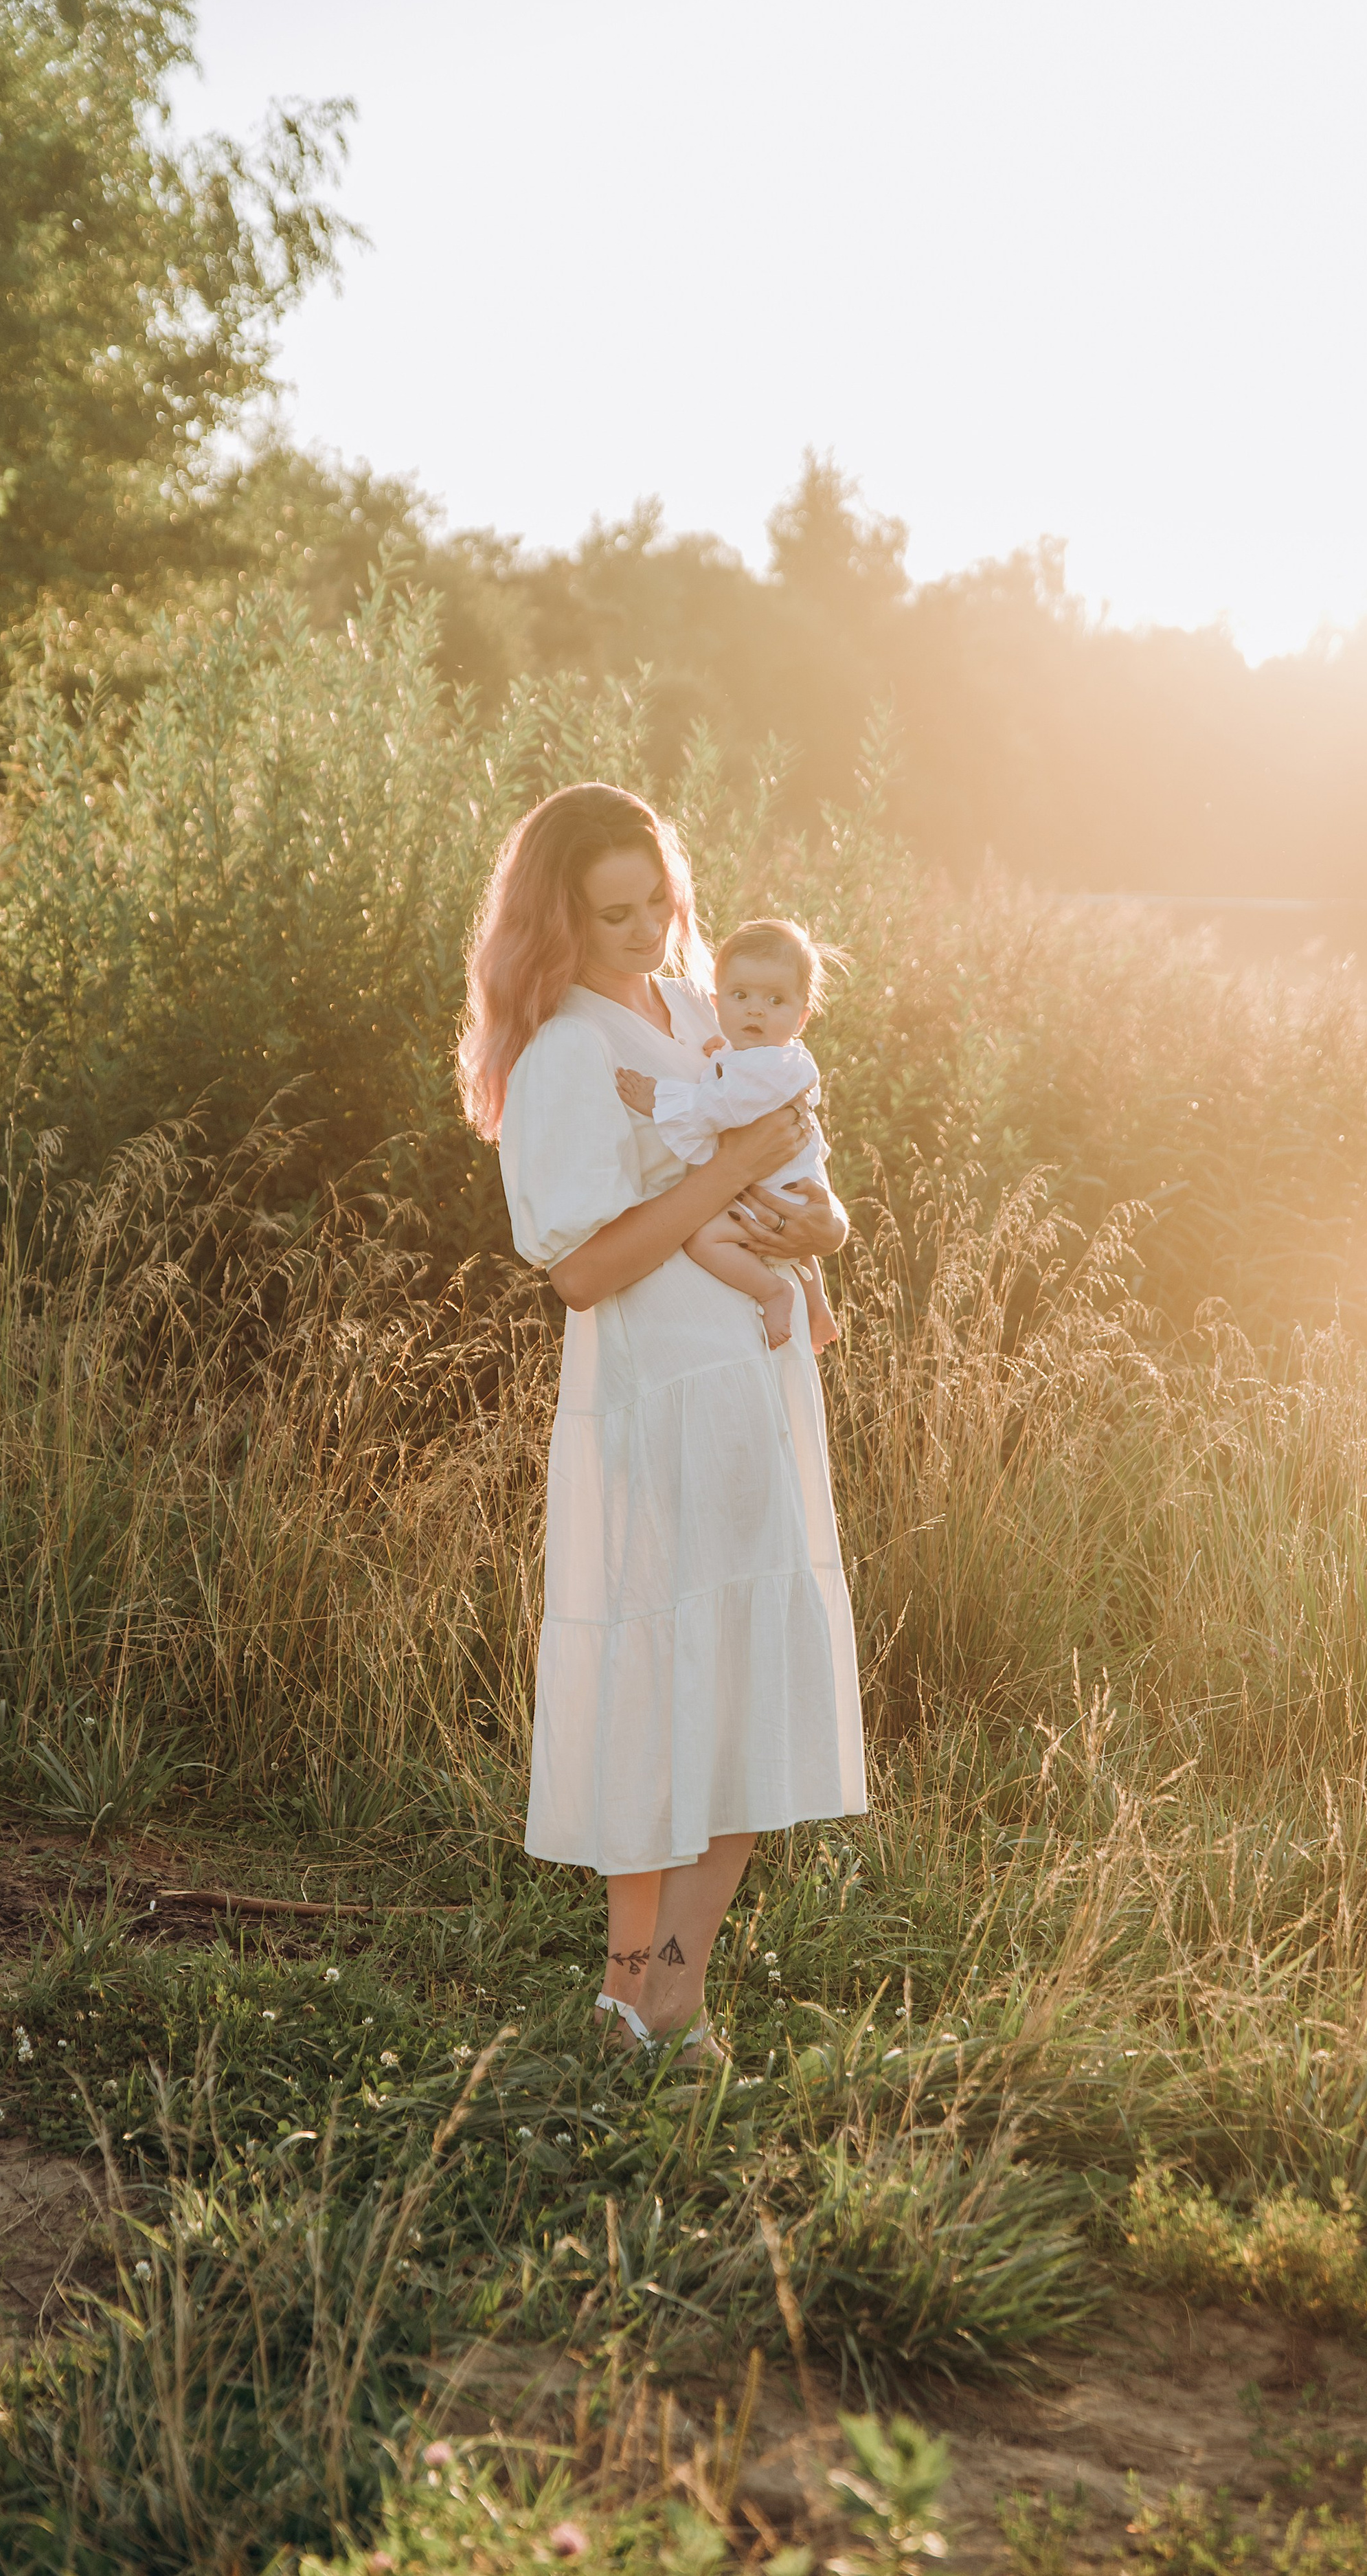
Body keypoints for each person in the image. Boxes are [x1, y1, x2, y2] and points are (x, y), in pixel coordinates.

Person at [457, 782, 868, 2060]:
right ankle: (656, 1989)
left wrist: (824, 1231)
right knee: (676, 1693)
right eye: (613, 914)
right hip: (658, 1394)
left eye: (661, 905)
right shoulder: (567, 1052)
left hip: (749, 1374)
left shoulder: (695, 1009)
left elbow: (798, 1161)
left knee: (716, 1687)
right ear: (558, 921)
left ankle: (642, 1995)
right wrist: (734, 1177)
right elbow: (580, 1273)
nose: (646, 932)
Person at [614, 915, 842, 1354]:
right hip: (789, 1185)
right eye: (741, 996)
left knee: (704, 1239)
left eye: (776, 1000)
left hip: (777, 1188)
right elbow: (743, 1075)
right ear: (717, 1004)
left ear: (802, 1017)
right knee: (798, 1237)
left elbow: (722, 1105)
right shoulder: (770, 1057)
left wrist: (659, 1098)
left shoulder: (773, 1069)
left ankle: (773, 1291)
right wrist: (725, 1052)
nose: (756, 1009)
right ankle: (818, 1307)